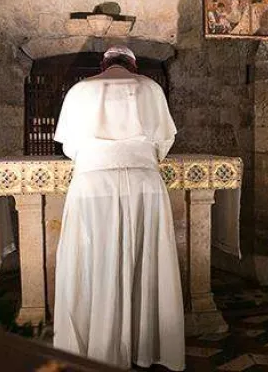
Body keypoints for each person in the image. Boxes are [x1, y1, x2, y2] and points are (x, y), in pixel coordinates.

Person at [52, 46, 185, 371]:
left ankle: (96, 346)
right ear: (133, 65)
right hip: (144, 183)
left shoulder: (80, 90)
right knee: (146, 257)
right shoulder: (151, 88)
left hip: (93, 183)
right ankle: (144, 346)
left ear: (103, 64)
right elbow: (164, 142)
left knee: (95, 259)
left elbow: (68, 145)